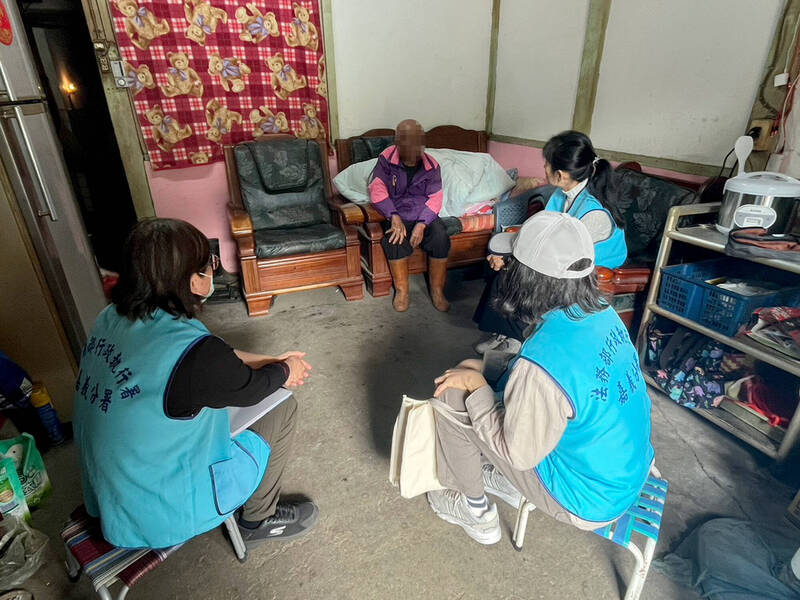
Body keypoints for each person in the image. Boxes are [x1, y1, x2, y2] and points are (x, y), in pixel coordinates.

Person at [73, 218, 317, 550]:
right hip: (158, 511)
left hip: (109, 494)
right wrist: (286, 370)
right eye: (209, 265)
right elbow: (250, 387)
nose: (212, 272)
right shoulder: (197, 356)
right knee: (281, 406)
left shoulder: (110, 317)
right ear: (192, 280)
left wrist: (270, 360)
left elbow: (214, 358)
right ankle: (257, 520)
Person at [426, 212, 653, 545]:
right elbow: (556, 381)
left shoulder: (541, 363)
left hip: (586, 499)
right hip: (623, 470)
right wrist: (487, 369)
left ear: (526, 278)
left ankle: (475, 511)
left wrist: (476, 386)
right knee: (475, 370)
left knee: (452, 395)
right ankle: (506, 482)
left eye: (512, 263)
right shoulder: (602, 312)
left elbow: (518, 452)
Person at [473, 130, 628, 354]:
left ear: (561, 174)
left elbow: (560, 251)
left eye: (547, 164)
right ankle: (503, 332)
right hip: (562, 256)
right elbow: (542, 231)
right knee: (500, 262)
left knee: (522, 273)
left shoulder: (595, 213)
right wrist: (505, 254)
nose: (544, 168)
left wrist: (512, 258)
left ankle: (517, 338)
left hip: (587, 270)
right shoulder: (561, 194)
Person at [368, 119, 450, 312]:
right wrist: (393, 216)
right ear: (397, 142)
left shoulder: (432, 165)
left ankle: (437, 291)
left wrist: (422, 224)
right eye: (406, 141)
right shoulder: (386, 158)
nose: (412, 147)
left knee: (440, 236)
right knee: (394, 239)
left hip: (424, 214)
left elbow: (436, 198)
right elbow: (377, 189)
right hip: (397, 212)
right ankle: (402, 292)